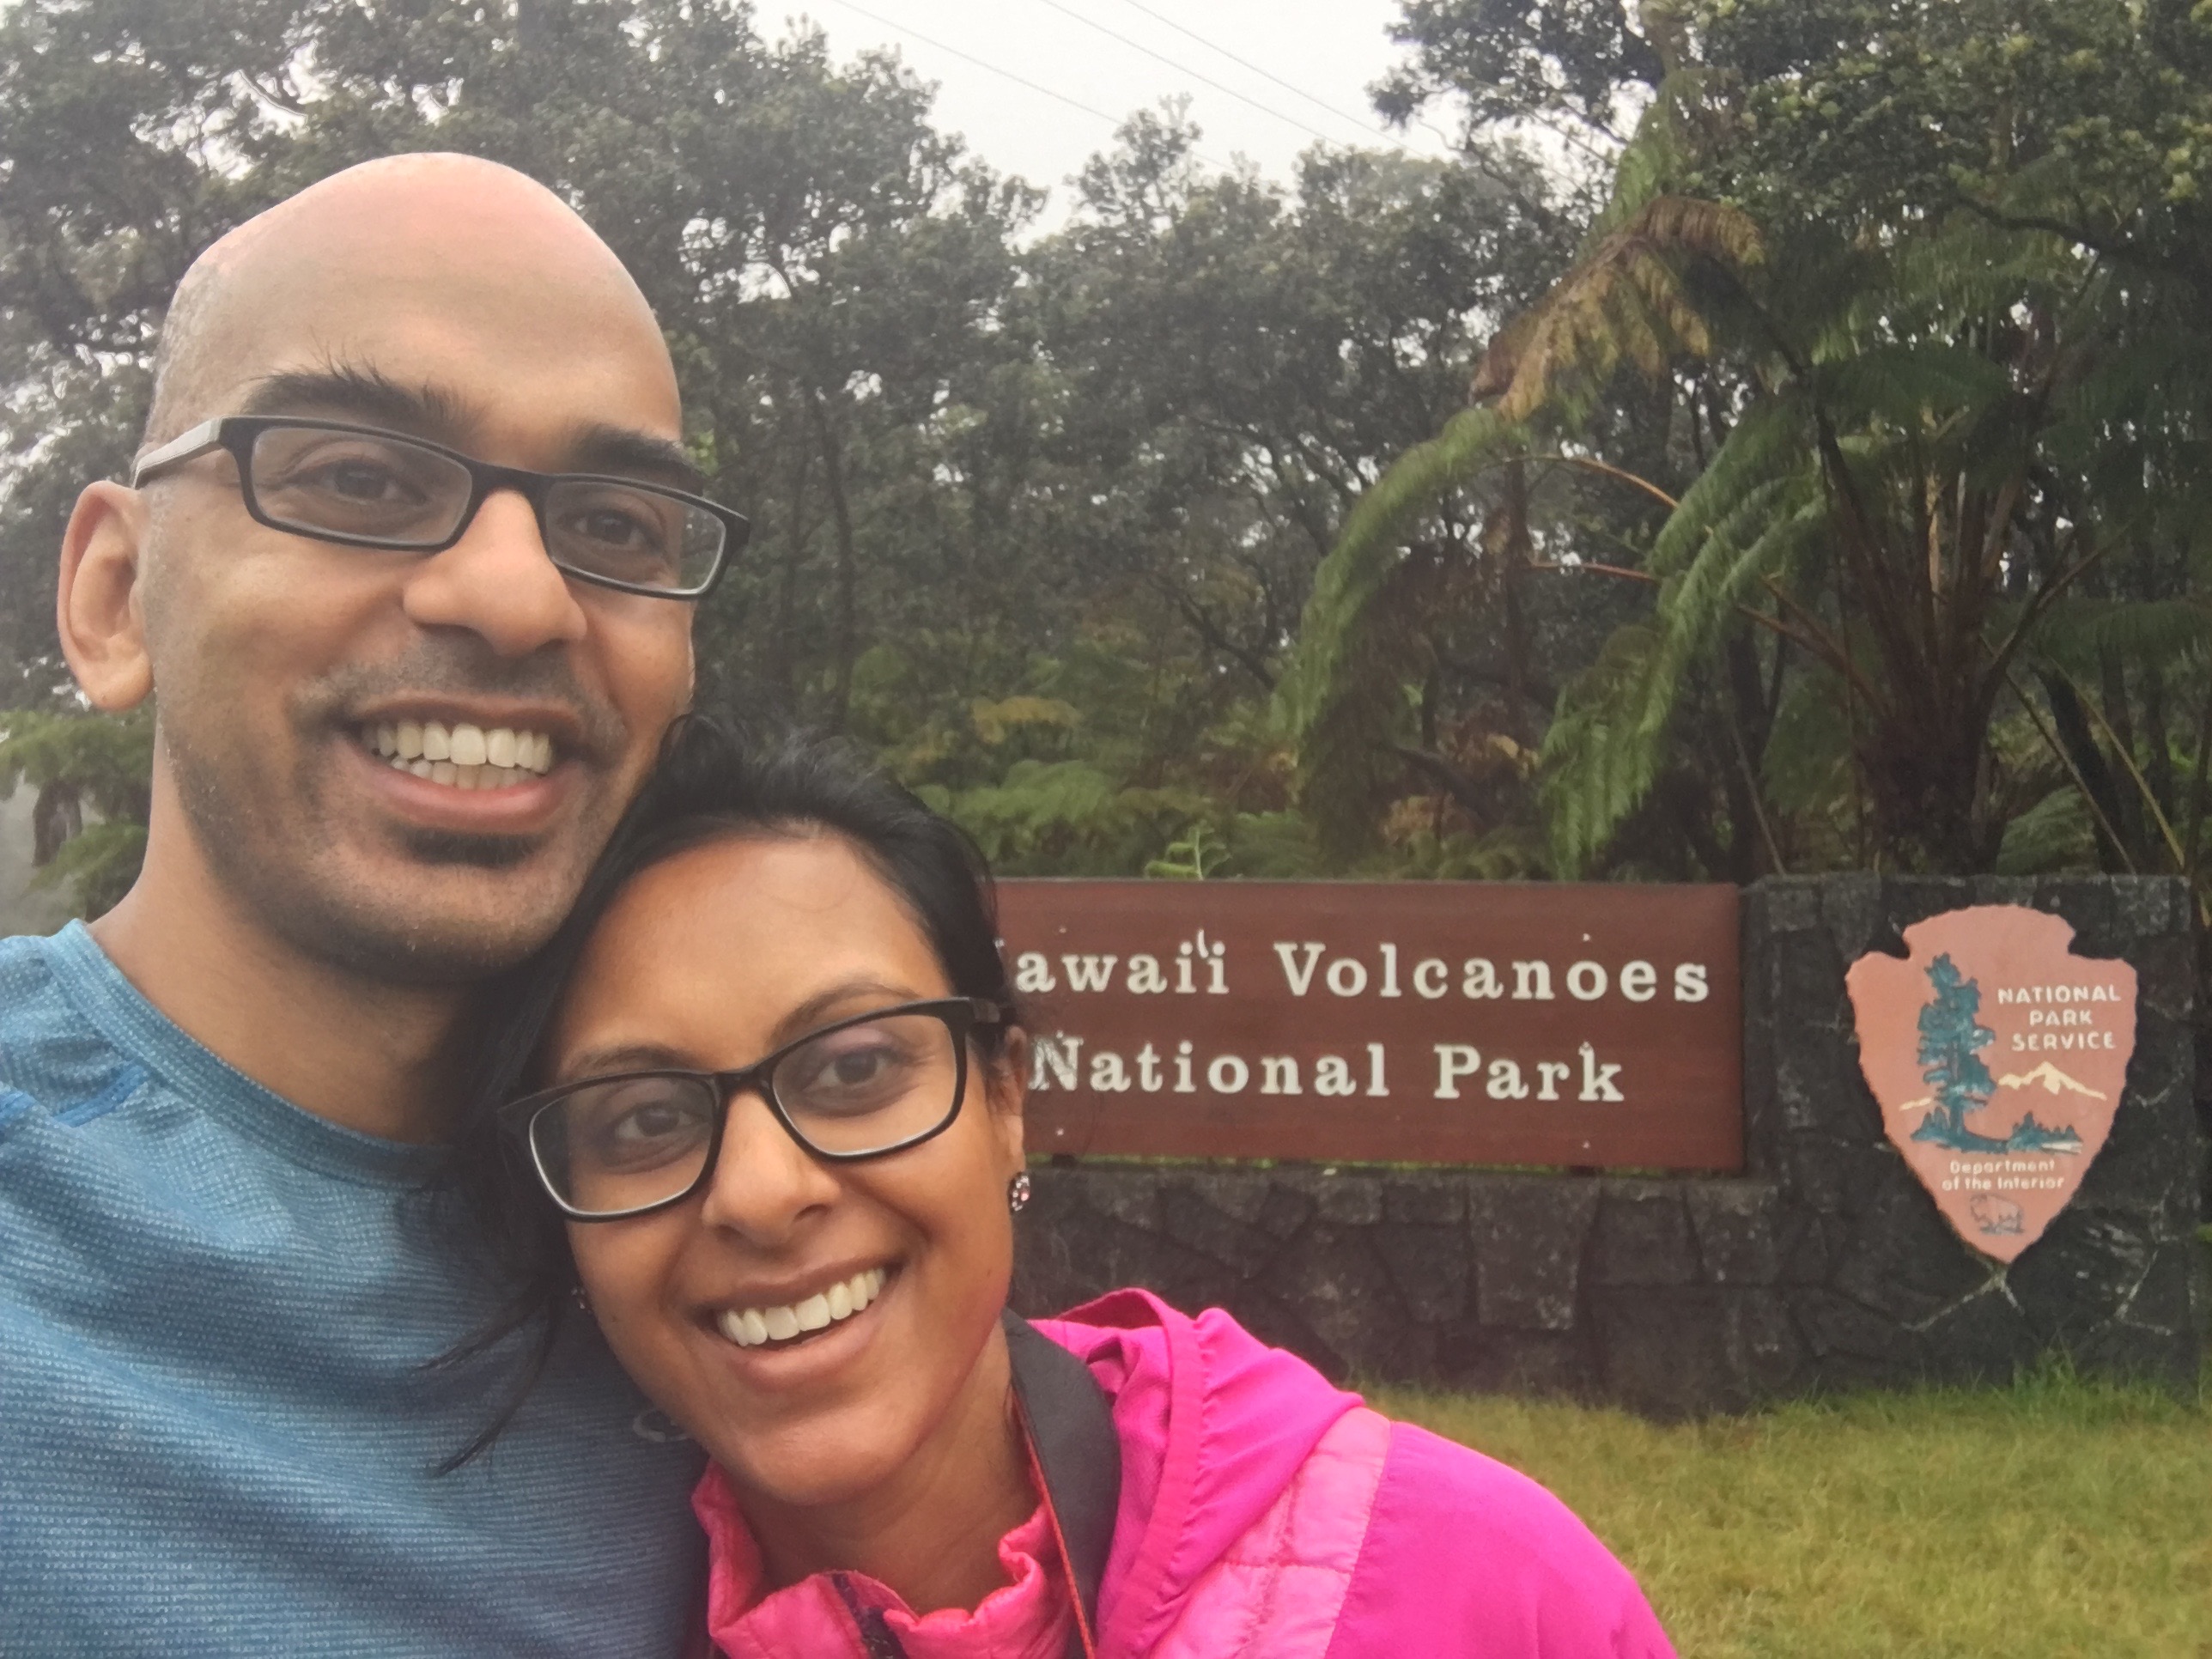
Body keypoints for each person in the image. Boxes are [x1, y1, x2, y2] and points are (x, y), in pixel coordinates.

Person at [461, 718, 1679, 1658]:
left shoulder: (1464, 1584)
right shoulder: (540, 1618)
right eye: (646, 1120)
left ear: (1005, 1100)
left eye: (853, 1068)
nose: (763, 1192)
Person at [0, 154, 749, 1654]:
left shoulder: (764, 1239)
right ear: (111, 596)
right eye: (359, 479)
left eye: (613, 527)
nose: (518, 597)